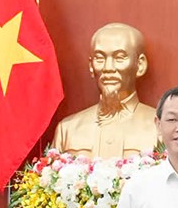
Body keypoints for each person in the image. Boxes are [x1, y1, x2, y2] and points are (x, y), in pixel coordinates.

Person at [52, 23, 158, 158]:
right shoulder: (67, 129)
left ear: (140, 65)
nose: (108, 68)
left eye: (119, 58)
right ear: (91, 66)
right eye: (100, 58)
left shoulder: (161, 128)